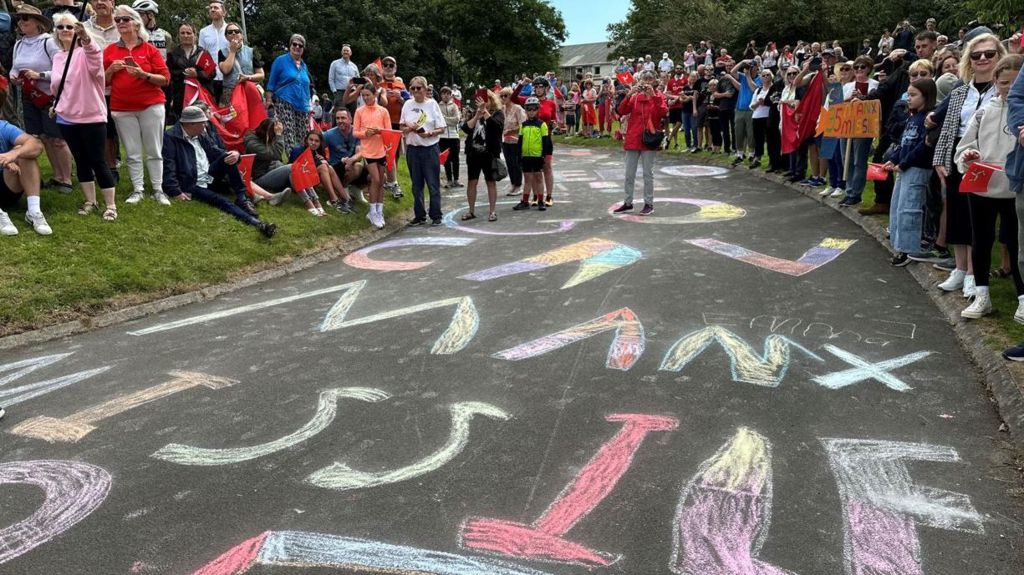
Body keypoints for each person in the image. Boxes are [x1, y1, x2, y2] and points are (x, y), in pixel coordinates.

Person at [934, 33, 1006, 297]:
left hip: (988, 156)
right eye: (976, 55)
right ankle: (961, 268)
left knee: (979, 219)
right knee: (956, 212)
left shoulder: (1005, 89)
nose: (983, 59)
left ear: (1000, 56)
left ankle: (976, 273)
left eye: (989, 54)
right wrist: (940, 159)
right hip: (958, 155)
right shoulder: (960, 90)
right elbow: (948, 127)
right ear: (969, 60)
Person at [956, 55, 1023, 319]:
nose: (1009, 87)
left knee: (1017, 243)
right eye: (1004, 82)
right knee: (981, 240)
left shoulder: (1021, 111)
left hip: (1014, 186)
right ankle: (982, 295)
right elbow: (965, 145)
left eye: (1015, 83)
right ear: (995, 81)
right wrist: (968, 157)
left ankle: (1022, 297)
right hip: (982, 186)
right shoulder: (983, 112)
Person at [163, 106, 276, 237]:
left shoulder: (200, 134)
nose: (206, 125)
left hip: (208, 174)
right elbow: (168, 166)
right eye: (203, 122)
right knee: (222, 201)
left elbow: (214, 151)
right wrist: (176, 191)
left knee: (228, 157)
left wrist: (236, 154)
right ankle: (258, 224)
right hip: (192, 182)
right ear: (191, 124)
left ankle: (242, 198)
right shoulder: (171, 137)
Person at [52, 13, 118, 221]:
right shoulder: (57, 57)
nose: (65, 30)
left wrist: (86, 38)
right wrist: (57, 104)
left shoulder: (86, 52)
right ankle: (90, 201)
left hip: (91, 117)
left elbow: (94, 55)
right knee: (80, 161)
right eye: (61, 27)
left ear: (77, 31)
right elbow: (59, 86)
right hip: (66, 117)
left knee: (98, 160)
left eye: (70, 27)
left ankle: (111, 205)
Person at [105, 4, 170, 205]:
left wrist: (144, 74)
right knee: (132, 152)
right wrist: (111, 71)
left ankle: (158, 190)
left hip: (151, 104)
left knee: (154, 149)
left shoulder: (150, 49)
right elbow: (102, 82)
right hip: (121, 107)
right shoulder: (109, 50)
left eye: (125, 19)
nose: (121, 23)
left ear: (136, 23)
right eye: (118, 20)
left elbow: (165, 79)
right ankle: (138, 189)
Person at [10, 4, 75, 194]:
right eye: (19, 18)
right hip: (29, 97)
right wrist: (15, 77)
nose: (21, 22)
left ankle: (66, 178)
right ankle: (57, 176)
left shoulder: (49, 42)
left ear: (37, 23)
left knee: (58, 139)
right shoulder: (19, 43)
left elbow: (63, 68)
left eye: (25, 18)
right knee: (44, 137)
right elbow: (16, 66)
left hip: (50, 96)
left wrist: (40, 75)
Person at [885, 78, 936, 266]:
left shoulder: (927, 118)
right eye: (908, 94)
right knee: (898, 206)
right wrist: (895, 159)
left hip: (917, 168)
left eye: (914, 95)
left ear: (926, 96)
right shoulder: (912, 117)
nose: (909, 98)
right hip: (905, 168)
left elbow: (923, 146)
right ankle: (899, 245)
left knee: (910, 209)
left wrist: (904, 163)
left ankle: (910, 249)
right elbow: (905, 143)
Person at [613, 71, 667, 216]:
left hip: (649, 139)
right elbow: (622, 110)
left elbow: (663, 112)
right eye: (645, 79)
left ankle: (649, 203)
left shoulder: (658, 95)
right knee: (629, 174)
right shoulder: (635, 96)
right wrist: (629, 94)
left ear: (655, 81)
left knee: (648, 173)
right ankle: (628, 202)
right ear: (640, 80)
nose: (647, 82)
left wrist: (653, 96)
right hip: (633, 138)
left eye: (650, 79)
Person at [0, 88, 48, 236]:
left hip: (6, 185)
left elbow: (36, 144)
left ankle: (34, 211)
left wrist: (14, 154)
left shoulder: (3, 126)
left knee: (25, 151)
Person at [400, 75, 445, 226]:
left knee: (432, 183)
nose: (415, 91)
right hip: (413, 148)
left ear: (425, 89)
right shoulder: (407, 104)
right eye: (412, 88)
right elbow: (402, 127)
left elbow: (441, 128)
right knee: (416, 185)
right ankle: (419, 215)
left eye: (418, 88)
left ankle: (436, 214)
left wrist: (429, 133)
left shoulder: (432, 105)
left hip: (429, 148)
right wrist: (410, 128)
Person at [837, 55, 879, 206]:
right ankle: (849, 190)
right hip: (847, 126)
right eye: (856, 67)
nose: (859, 70)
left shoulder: (875, 85)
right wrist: (850, 99)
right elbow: (839, 105)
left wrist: (863, 99)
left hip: (863, 127)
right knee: (846, 159)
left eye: (863, 67)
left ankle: (856, 193)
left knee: (858, 161)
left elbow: (875, 104)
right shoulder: (848, 85)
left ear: (869, 68)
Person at [461, 90, 503, 221]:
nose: (483, 103)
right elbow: (466, 129)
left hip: (489, 154)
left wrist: (485, 112)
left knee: (490, 182)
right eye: (480, 101)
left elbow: (497, 127)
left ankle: (492, 211)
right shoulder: (475, 113)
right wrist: (477, 115)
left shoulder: (498, 114)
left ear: (491, 101)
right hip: (473, 154)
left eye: (486, 100)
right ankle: (471, 211)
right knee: (472, 182)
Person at [352, 82, 390, 229]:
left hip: (381, 150)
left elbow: (388, 130)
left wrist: (379, 131)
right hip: (368, 150)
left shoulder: (383, 111)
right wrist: (365, 133)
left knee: (381, 181)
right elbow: (355, 131)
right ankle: (372, 211)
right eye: (363, 95)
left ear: (375, 95)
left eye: (368, 95)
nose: (366, 98)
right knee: (375, 179)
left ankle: (379, 211)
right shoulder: (359, 111)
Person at [265, 33, 311, 152]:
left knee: (304, 135)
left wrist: (309, 104)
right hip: (285, 102)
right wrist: (269, 100)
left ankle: (303, 161)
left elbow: (306, 86)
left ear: (303, 48)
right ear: (290, 45)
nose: (297, 47)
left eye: (300, 45)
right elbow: (271, 82)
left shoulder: (304, 66)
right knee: (289, 135)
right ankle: (291, 163)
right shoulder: (281, 60)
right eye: (294, 44)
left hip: (302, 105)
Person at [167, 23, 214, 122]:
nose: (185, 35)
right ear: (178, 36)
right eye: (182, 33)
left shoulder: (203, 53)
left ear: (194, 35)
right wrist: (184, 73)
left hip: (201, 97)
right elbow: (169, 74)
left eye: (189, 33)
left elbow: (212, 73)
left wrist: (197, 74)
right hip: (180, 97)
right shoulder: (172, 54)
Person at [512, 96, 550, 213]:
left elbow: (546, 142)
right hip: (526, 156)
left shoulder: (542, 125)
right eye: (529, 109)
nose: (531, 111)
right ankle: (525, 201)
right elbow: (520, 141)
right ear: (526, 110)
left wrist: (544, 155)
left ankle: (540, 201)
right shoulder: (523, 125)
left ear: (538, 109)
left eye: (534, 109)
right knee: (527, 178)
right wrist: (518, 155)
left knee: (539, 178)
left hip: (537, 156)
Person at [242, 118, 292, 205]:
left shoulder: (263, 138)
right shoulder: (253, 144)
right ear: (267, 133)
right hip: (259, 178)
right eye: (273, 134)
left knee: (293, 168)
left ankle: (306, 193)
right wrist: (279, 135)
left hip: (268, 168)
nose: (274, 137)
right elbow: (276, 154)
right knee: (291, 167)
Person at [322, 108, 365, 205]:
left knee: (377, 175)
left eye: (343, 118)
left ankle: (357, 189)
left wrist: (351, 160)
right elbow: (318, 148)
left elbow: (360, 152)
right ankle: (343, 190)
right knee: (356, 166)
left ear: (350, 119)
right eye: (337, 118)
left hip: (352, 165)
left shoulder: (357, 132)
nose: (340, 121)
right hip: (337, 168)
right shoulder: (329, 134)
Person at [217, 22, 264, 108]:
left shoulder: (251, 51)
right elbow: (225, 70)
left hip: (249, 91)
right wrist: (232, 51)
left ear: (242, 35)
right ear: (226, 37)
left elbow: (261, 75)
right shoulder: (222, 52)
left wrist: (248, 77)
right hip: (230, 93)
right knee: (233, 121)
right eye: (230, 32)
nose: (233, 33)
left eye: (236, 31)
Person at [380, 55, 408, 199]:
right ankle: (390, 181)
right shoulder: (378, 83)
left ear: (395, 68)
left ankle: (391, 180)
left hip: (397, 121)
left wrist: (400, 97)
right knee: (384, 153)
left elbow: (409, 103)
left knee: (394, 153)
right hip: (382, 122)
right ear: (382, 67)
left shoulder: (400, 84)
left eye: (391, 65)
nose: (389, 68)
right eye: (386, 65)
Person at [287, 130, 333, 216]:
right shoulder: (298, 150)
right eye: (311, 140)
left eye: (316, 141)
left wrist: (322, 160)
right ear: (306, 140)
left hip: (308, 182)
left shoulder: (317, 152)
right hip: (293, 181)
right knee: (300, 172)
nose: (313, 143)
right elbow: (294, 169)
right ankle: (310, 204)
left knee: (327, 167)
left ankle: (320, 202)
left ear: (320, 143)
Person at [198, 0, 228, 98]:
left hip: (229, 77)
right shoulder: (203, 32)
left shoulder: (232, 30)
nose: (212, 10)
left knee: (230, 110)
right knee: (212, 110)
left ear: (224, 12)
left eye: (216, 7)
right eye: (210, 8)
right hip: (210, 78)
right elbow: (201, 55)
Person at [499, 86, 526, 198]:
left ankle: (519, 185)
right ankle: (513, 183)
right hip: (505, 140)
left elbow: (523, 124)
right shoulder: (502, 110)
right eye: (502, 96)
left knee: (516, 163)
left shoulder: (518, 108)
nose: (503, 98)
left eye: (506, 95)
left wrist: (511, 130)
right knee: (509, 164)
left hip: (516, 140)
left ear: (511, 96)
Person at [750, 69, 774, 169]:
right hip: (757, 116)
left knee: (770, 139)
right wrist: (758, 103)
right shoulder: (758, 90)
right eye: (763, 75)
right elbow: (751, 105)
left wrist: (765, 102)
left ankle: (772, 160)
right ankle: (757, 158)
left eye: (768, 75)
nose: (765, 77)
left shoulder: (773, 89)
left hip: (768, 116)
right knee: (758, 139)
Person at [438, 86, 461, 189]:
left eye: (448, 93)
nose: (446, 96)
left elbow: (456, 119)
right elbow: (438, 121)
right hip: (442, 136)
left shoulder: (454, 106)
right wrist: (446, 120)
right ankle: (449, 180)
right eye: (444, 94)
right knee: (446, 159)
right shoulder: (438, 106)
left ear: (450, 95)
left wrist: (444, 119)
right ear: (441, 95)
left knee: (455, 159)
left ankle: (456, 179)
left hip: (453, 135)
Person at [328, 44, 358, 113]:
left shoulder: (354, 66)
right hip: (340, 92)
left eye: (347, 51)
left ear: (350, 53)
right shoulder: (334, 64)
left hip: (352, 92)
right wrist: (335, 92)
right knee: (340, 114)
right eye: (344, 50)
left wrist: (356, 91)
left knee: (353, 113)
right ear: (341, 52)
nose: (345, 52)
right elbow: (331, 79)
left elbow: (358, 80)